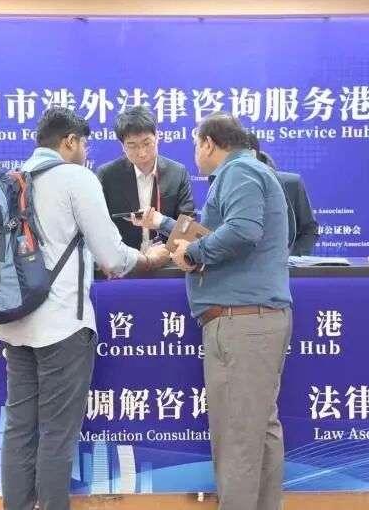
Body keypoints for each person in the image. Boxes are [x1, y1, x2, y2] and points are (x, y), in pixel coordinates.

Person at [0, 107, 170, 510]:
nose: (86, 152)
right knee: (57, 432)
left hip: (14, 320)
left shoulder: (11, 181)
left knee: (19, 428)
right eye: (84, 144)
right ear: (70, 141)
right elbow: (112, 255)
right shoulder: (77, 178)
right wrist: (150, 259)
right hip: (62, 323)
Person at [136, 113, 292, 510]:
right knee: (257, 430)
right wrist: (167, 226)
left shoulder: (238, 172)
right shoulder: (248, 172)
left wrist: (194, 253)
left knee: (238, 434)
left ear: (208, 143)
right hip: (253, 319)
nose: (195, 155)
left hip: (242, 321)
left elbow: (242, 230)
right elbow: (220, 231)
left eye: (195, 146)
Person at [96, 106, 195, 249]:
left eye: (147, 143)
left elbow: (188, 227)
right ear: (123, 146)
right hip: (125, 258)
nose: (142, 153)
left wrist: (165, 231)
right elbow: (99, 225)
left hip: (167, 257)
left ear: (157, 137)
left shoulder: (177, 173)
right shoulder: (107, 175)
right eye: (132, 146)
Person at [246, 132, 320, 257]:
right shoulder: (223, 185)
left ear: (251, 154)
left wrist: (289, 257)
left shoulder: (290, 184)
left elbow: (309, 230)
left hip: (281, 266)